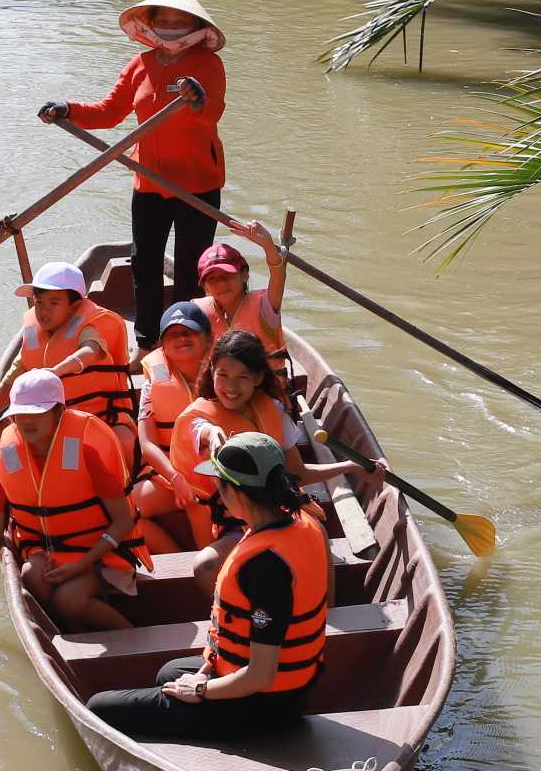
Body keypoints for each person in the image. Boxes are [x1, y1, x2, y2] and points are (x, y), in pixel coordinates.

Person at [84, 433, 331, 741]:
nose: (215, 491)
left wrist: (201, 688)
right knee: (170, 673)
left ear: (236, 494)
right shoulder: (299, 521)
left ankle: (223, 737)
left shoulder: (264, 566)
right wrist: (203, 673)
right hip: (284, 687)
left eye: (219, 484)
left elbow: (260, 674)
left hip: (265, 705)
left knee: (97, 708)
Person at [37, 0, 226, 353]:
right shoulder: (141, 63)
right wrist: (67, 109)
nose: (171, 27)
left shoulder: (208, 64)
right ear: (151, 25)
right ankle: (147, 341)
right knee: (144, 262)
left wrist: (197, 96)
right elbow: (109, 112)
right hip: (149, 182)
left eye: (180, 21)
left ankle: (185, 337)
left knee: (190, 265)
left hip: (196, 182)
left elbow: (213, 111)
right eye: (164, 21)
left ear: (195, 25)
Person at [170, 330, 379, 581]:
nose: (231, 387)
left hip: (280, 512)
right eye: (223, 375)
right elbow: (201, 430)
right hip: (235, 523)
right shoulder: (198, 415)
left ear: (258, 378)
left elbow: (297, 474)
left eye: (242, 377)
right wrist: (213, 433)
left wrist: (350, 466)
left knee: (319, 537)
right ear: (212, 369)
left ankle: (321, 612)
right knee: (204, 567)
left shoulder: (273, 409)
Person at [0, 369, 147, 634]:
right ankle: (79, 635)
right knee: (31, 576)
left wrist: (82, 563)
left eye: (37, 412)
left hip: (102, 553)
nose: (27, 421)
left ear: (58, 411)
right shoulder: (11, 452)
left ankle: (133, 636)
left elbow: (122, 522)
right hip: (49, 552)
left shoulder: (85, 450)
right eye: (20, 413)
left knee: (69, 601)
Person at [0, 259, 139, 468]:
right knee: (10, 438)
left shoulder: (89, 328)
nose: (43, 311)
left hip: (99, 416)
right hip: (49, 421)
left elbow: (89, 351)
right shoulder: (34, 338)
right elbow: (7, 385)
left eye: (54, 303)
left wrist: (56, 371)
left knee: (122, 442)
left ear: (74, 305)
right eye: (39, 302)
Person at [127, 299, 212, 553]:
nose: (181, 339)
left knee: (201, 506)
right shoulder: (154, 381)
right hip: (170, 475)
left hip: (218, 475)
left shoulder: (225, 374)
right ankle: (175, 558)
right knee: (125, 512)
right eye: (173, 334)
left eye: (189, 332)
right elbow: (147, 444)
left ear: (208, 338)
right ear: (162, 344)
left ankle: (213, 568)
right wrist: (176, 478)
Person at [196, 225, 290, 395]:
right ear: (205, 287)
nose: (221, 284)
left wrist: (268, 246)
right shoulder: (199, 312)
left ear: (245, 275)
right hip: (223, 394)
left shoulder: (264, 305)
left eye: (227, 276)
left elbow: (278, 277)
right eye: (213, 279)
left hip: (265, 394)